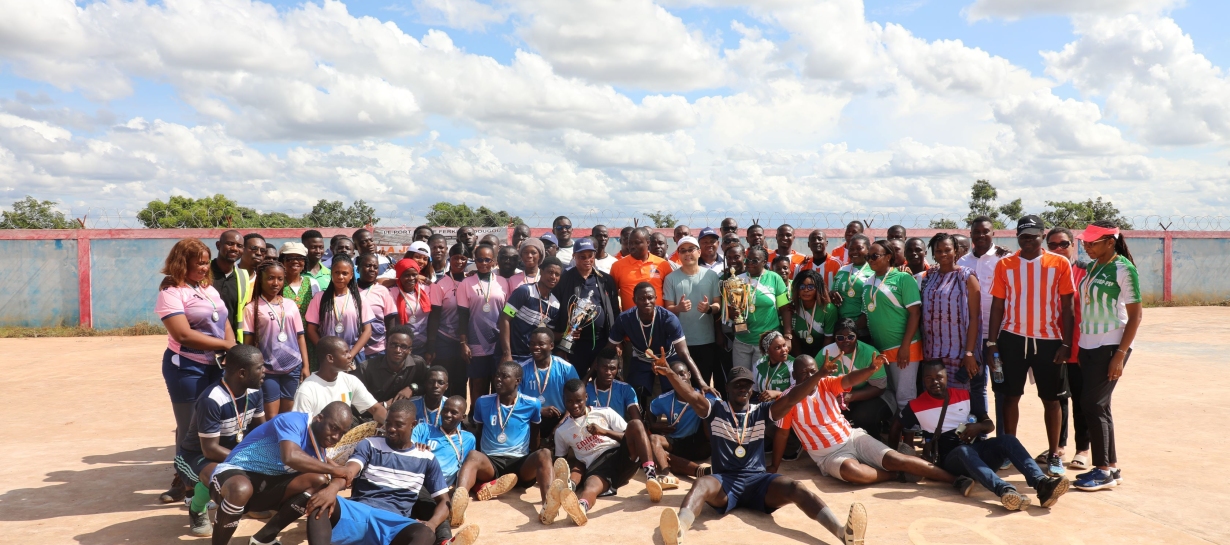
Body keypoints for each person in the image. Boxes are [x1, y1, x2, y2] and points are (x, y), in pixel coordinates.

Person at [654, 365, 868, 545]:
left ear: (752, 389)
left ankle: (843, 532)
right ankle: (678, 531)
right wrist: (671, 374)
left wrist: (819, 375)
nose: (742, 389)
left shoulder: (761, 411)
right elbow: (691, 395)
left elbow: (792, 398)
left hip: (758, 481)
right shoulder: (714, 409)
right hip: (724, 482)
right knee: (701, 484)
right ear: (727, 387)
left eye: (746, 385)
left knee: (796, 487)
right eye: (737, 384)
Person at [301, 400, 478, 545]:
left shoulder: (426, 458)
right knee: (320, 502)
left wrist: (431, 524)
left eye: (398, 425)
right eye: (389, 423)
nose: (391, 429)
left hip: (394, 523)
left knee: (424, 534)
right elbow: (349, 472)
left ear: (413, 425)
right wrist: (331, 490)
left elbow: (444, 501)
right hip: (359, 512)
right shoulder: (370, 444)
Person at [768, 353, 956, 488]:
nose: (810, 376)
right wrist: (774, 466)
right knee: (853, 473)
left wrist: (871, 369)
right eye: (804, 373)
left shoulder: (826, 383)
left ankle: (955, 479)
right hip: (829, 456)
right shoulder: (787, 400)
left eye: (813, 372)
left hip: (852, 437)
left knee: (896, 458)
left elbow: (849, 379)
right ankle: (896, 475)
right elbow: (782, 434)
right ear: (794, 376)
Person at [902, 361, 1070, 511]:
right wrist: (897, 453)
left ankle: (1041, 484)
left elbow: (990, 425)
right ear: (923, 381)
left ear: (947, 376)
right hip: (951, 460)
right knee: (963, 451)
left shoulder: (964, 396)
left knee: (1007, 440)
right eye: (929, 379)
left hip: (977, 451)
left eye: (939, 377)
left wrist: (978, 427)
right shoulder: (916, 405)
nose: (935, 382)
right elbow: (897, 426)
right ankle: (1004, 490)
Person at [986, 215, 1075, 477]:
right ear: (1017, 237)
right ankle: (1008, 450)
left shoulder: (1058, 263)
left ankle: (1055, 454)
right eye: (1023, 236)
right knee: (1010, 397)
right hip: (1012, 338)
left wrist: (1067, 343)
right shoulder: (1006, 264)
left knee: (1051, 400)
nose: (1028, 241)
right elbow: (998, 306)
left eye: (1033, 236)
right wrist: (992, 343)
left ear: (1042, 236)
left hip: (1049, 341)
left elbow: (1068, 307)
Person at [158, 238, 237, 504]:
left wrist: (231, 347)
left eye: (206, 262)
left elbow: (223, 319)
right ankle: (184, 482)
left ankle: (206, 480)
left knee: (211, 425)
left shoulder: (207, 288)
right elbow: (183, 334)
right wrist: (226, 345)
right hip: (187, 368)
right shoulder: (171, 292)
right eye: (199, 263)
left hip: (215, 366)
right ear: (183, 263)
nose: (205, 268)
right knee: (188, 427)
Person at [208, 402, 351, 545]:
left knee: (318, 481)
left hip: (263, 489)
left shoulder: (318, 447)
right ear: (319, 418)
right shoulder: (293, 421)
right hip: (231, 477)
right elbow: (290, 456)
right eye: (333, 428)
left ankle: (263, 540)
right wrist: (336, 470)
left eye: (342, 433)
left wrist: (333, 488)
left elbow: (345, 476)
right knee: (241, 488)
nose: (336, 437)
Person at [1072, 221, 1142, 491]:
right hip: (1089, 346)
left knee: (1092, 404)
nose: (1086, 246)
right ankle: (1111, 468)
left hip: (1111, 345)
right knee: (1100, 406)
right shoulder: (1094, 265)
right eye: (1085, 242)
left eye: (1092, 242)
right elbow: (1074, 261)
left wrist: (1120, 355)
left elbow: (1136, 315)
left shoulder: (1123, 268)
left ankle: (1101, 471)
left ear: (1110, 241)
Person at [451, 361, 562, 526]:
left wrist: (536, 463)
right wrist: (480, 463)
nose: (498, 380)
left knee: (544, 453)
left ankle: (549, 506)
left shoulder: (532, 404)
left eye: (504, 376)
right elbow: (480, 432)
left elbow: (535, 436)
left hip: (520, 463)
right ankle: (457, 506)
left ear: (517, 380)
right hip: (492, 463)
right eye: (497, 375)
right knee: (474, 455)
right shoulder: (483, 402)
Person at [177, 345, 266, 536]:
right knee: (221, 477)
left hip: (231, 452)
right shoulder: (212, 399)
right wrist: (247, 461)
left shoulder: (255, 392)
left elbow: (261, 431)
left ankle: (251, 502)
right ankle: (197, 508)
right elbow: (209, 450)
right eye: (260, 367)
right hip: (196, 456)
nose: (264, 371)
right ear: (242, 373)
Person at [551, 378, 664, 525]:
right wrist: (573, 478)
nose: (575, 405)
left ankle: (651, 477)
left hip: (620, 456)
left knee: (636, 424)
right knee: (590, 487)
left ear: (586, 397)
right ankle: (581, 508)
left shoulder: (605, 412)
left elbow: (631, 435)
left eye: (579, 400)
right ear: (564, 401)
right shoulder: (561, 431)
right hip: (597, 468)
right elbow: (561, 461)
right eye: (569, 402)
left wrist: (604, 432)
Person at [605, 282, 709, 407]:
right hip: (641, 358)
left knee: (675, 387)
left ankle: (675, 415)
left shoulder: (668, 318)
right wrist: (590, 376)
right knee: (634, 391)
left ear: (656, 298)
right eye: (642, 298)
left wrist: (702, 383)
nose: (646, 302)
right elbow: (609, 350)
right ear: (634, 300)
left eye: (650, 298)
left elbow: (684, 354)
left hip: (668, 358)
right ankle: (645, 421)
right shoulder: (624, 319)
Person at [957, 216, 1011, 428]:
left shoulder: (1005, 259)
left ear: (993, 233)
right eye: (976, 232)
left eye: (985, 231)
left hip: (999, 334)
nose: (981, 235)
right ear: (970, 234)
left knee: (1001, 385)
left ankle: (1005, 440)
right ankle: (980, 432)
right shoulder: (962, 263)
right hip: (973, 335)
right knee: (975, 383)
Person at [243, 260, 310, 421]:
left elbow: (300, 336)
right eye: (270, 278)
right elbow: (248, 343)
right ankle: (273, 446)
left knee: (288, 414)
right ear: (261, 279)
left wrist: (306, 366)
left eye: (280, 279)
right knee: (271, 416)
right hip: (267, 369)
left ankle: (285, 446)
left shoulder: (290, 305)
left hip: (292, 367)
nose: (276, 283)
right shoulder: (252, 308)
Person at [1047, 227, 1091, 470]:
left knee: (1081, 400)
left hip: (1080, 347)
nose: (1058, 249)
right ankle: (1058, 447)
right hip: (1052, 346)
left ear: (1073, 245)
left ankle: (1083, 448)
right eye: (1052, 245)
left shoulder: (1085, 272)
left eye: (1063, 244)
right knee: (1056, 400)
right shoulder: (1044, 271)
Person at [863, 240, 923, 416]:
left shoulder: (903, 278)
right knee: (890, 396)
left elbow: (915, 314)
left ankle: (908, 440)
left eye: (875, 256)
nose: (870, 260)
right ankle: (894, 436)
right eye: (868, 257)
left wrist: (904, 347)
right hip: (881, 350)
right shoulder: (868, 282)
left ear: (888, 257)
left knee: (905, 398)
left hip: (904, 348)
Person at [920, 233, 981, 396]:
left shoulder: (967, 276)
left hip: (958, 353)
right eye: (938, 251)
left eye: (947, 250)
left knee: (957, 399)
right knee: (934, 399)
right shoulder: (930, 276)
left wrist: (969, 353)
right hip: (932, 353)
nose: (943, 254)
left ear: (956, 251)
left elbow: (975, 317)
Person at [457, 244, 512, 415]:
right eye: (479, 259)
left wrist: (507, 346)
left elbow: (509, 313)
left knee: (499, 382)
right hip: (475, 341)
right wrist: (463, 342)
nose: (483, 263)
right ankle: (477, 415)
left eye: (487, 260)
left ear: (494, 262)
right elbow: (463, 315)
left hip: (498, 341)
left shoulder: (503, 283)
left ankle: (494, 416)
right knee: (478, 382)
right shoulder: (466, 283)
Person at [551, 237, 618, 377]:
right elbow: (554, 312)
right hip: (573, 345)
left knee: (599, 382)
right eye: (582, 257)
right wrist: (560, 346)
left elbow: (614, 310)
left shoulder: (605, 280)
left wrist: (616, 342)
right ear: (574, 256)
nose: (587, 260)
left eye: (590, 256)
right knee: (574, 382)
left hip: (601, 342)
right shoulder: (564, 279)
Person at [662, 235, 723, 389]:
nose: (687, 254)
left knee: (703, 383)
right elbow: (667, 309)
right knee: (683, 386)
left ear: (699, 252)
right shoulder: (671, 278)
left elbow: (718, 304)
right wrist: (678, 308)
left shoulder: (711, 276)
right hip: (680, 342)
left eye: (691, 249)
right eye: (683, 251)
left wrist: (709, 308)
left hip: (706, 340)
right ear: (678, 254)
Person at [648, 361, 718, 489]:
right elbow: (651, 409)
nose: (680, 378)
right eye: (675, 375)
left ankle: (668, 463)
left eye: (682, 374)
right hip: (676, 443)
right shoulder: (665, 399)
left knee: (709, 416)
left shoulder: (704, 395)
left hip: (702, 445)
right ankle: (666, 473)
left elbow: (720, 409)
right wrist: (654, 424)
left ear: (689, 374)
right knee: (654, 440)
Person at [821, 320, 891, 438]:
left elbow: (880, 388)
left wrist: (850, 396)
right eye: (840, 337)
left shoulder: (869, 353)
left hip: (870, 397)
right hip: (837, 398)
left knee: (862, 416)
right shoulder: (826, 352)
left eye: (850, 337)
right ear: (835, 338)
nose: (846, 341)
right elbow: (816, 382)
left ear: (857, 337)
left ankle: (873, 446)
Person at [294, 337, 388, 425]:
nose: (350, 356)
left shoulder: (350, 381)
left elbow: (375, 408)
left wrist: (390, 426)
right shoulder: (307, 390)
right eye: (345, 353)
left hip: (346, 440)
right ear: (330, 358)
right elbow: (299, 426)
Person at [729, 246, 792, 373]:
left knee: (762, 381)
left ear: (764, 262)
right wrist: (734, 313)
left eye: (755, 260)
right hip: (742, 341)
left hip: (767, 342)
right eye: (748, 260)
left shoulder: (775, 278)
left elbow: (785, 309)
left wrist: (788, 336)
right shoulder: (737, 280)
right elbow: (730, 311)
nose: (750, 263)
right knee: (742, 380)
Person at [306, 255, 374, 369]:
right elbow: (311, 330)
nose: (340, 277)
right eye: (336, 272)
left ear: (351, 275)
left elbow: (367, 331)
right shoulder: (320, 298)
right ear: (331, 273)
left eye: (345, 273)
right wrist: (325, 350)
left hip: (354, 354)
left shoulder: (359, 299)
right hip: (328, 357)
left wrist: (350, 355)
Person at [519, 327, 581, 445]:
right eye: (532, 344)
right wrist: (539, 410)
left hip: (562, 418)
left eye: (541, 344)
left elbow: (578, 400)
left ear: (551, 346)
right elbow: (515, 401)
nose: (536, 347)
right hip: (531, 417)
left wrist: (562, 423)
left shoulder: (566, 368)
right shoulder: (521, 370)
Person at [500, 257, 564, 365]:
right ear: (541, 272)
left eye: (557, 274)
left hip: (533, 358)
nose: (553, 277)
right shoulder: (524, 291)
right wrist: (507, 353)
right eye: (550, 272)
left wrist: (567, 334)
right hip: (513, 355)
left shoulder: (555, 305)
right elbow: (504, 319)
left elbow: (548, 333)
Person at [427, 244, 471, 399]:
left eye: (463, 258)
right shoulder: (440, 284)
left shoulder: (471, 282)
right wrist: (431, 344)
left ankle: (458, 419)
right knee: (443, 380)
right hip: (444, 340)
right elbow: (434, 316)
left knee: (460, 380)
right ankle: (439, 416)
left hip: (465, 341)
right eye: (455, 258)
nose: (459, 261)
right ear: (449, 259)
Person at [352, 327, 428, 409]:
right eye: (393, 345)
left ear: (410, 350)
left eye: (403, 347)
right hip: (371, 417)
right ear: (386, 345)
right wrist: (384, 405)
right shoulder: (366, 368)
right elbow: (354, 401)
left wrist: (412, 388)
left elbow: (427, 386)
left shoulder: (418, 364)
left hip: (405, 415)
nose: (398, 350)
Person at [412, 395, 477, 489]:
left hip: (439, 487)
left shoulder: (468, 439)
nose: (448, 414)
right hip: (417, 480)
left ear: (463, 417)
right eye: (445, 410)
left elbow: (467, 467)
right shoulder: (423, 429)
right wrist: (414, 447)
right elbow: (404, 449)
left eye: (454, 412)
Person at [753, 331, 800, 460]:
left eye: (784, 345)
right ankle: (769, 440)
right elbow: (755, 390)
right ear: (768, 351)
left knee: (773, 424)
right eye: (777, 348)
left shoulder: (793, 364)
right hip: (768, 407)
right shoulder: (759, 364)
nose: (784, 350)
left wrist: (776, 394)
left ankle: (794, 444)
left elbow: (799, 393)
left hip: (789, 408)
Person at [610, 227, 672, 310]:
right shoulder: (617, 266)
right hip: (630, 320)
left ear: (648, 242)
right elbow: (612, 294)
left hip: (658, 319)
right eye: (630, 243)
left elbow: (670, 293)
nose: (632, 246)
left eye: (637, 243)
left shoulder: (662, 264)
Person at [211, 230, 251, 345]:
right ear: (218, 245)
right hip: (203, 340)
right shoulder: (203, 271)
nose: (234, 248)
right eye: (230, 244)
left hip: (231, 344)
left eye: (239, 246)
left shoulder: (243, 276)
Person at [790, 269, 838, 357]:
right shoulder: (792, 307)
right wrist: (800, 359)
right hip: (799, 349)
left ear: (818, 289)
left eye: (811, 287)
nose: (806, 290)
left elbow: (828, 338)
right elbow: (793, 337)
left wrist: (819, 360)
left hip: (821, 349)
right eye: (802, 287)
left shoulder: (829, 309)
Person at [388, 259, 432, 357]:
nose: (411, 278)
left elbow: (437, 287)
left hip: (423, 345)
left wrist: (425, 279)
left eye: (414, 274)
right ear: (399, 276)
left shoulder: (425, 289)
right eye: (406, 275)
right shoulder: (392, 292)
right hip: (401, 348)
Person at [357, 253, 397, 358]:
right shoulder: (350, 290)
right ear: (358, 269)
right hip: (355, 349)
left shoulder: (383, 291)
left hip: (378, 350)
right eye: (368, 266)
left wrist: (389, 347)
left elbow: (390, 322)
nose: (372, 269)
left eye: (375, 267)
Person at [585, 348, 641, 421]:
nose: (608, 372)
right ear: (596, 367)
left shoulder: (625, 389)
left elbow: (637, 421)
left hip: (618, 431)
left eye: (612, 368)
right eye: (604, 367)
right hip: (591, 430)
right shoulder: (585, 389)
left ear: (617, 369)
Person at [832, 234, 872, 326]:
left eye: (859, 248)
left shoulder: (874, 271)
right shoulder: (842, 270)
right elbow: (833, 292)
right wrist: (832, 293)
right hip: (840, 324)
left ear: (868, 250)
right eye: (851, 249)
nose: (854, 252)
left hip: (862, 327)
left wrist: (854, 327)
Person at [795, 230, 842, 296]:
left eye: (820, 239)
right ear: (808, 244)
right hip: (809, 305)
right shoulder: (803, 266)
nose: (816, 242)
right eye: (813, 239)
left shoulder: (837, 264)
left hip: (830, 304)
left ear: (826, 243)